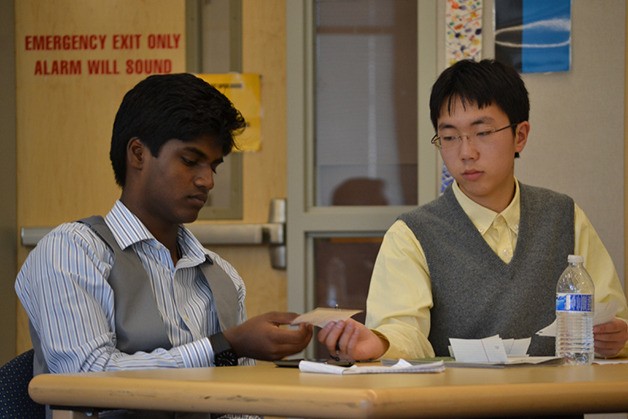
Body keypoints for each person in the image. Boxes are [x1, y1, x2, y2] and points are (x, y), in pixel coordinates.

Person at [318, 59, 628, 362]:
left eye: (482, 133)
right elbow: (404, 332)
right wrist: (379, 342)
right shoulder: (412, 233)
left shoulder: (565, 217)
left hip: (556, 405)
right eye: (450, 137)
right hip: (455, 406)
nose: (466, 152)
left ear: (519, 136)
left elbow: (610, 314)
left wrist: (615, 336)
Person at [16, 74, 312, 380]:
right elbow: (84, 376)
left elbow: (237, 403)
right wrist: (227, 345)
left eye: (213, 166)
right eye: (190, 160)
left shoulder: (223, 277)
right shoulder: (73, 251)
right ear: (138, 154)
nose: (207, 181)